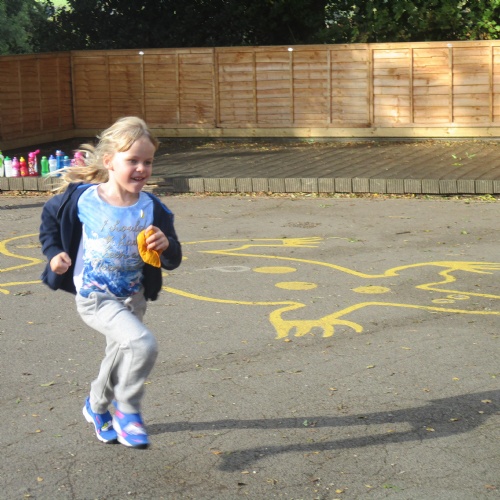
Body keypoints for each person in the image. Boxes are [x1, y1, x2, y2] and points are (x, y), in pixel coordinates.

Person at [39, 117, 182, 449]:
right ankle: (127, 412)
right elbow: (49, 220)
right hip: (95, 296)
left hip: (133, 297)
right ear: (109, 162)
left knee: (119, 355)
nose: (142, 169)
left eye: (148, 161)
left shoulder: (153, 208)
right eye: (132, 160)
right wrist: (54, 253)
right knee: (142, 344)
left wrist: (166, 246)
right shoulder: (83, 198)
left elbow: (173, 258)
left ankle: (96, 405)